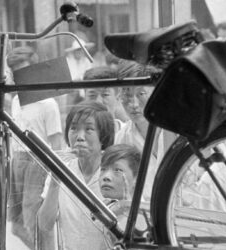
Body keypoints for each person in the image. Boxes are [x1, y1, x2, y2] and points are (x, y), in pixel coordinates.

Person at [38, 100, 115, 250]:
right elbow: (45, 224)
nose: (79, 137)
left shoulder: (114, 171)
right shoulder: (62, 169)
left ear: (103, 137)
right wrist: (55, 179)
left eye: (89, 129)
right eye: (73, 128)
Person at [8, 46, 63, 249]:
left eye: (24, 71)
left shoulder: (48, 104)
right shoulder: (15, 100)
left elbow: (56, 145)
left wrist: (52, 179)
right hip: (18, 160)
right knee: (17, 225)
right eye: (15, 73)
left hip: (38, 162)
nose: (20, 77)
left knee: (37, 223)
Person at [115, 60, 176, 201]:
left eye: (141, 94)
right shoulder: (122, 139)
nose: (134, 104)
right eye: (127, 95)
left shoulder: (177, 128)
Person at [83, 66, 129, 130]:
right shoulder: (77, 136)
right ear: (85, 96)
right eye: (92, 95)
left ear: (118, 95)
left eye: (105, 95)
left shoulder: (128, 135)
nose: (99, 102)